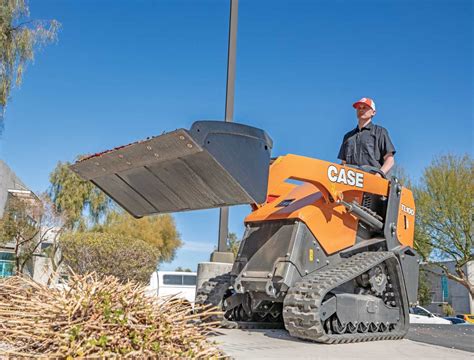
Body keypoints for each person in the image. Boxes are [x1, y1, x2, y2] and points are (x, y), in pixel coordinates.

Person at [337, 97, 395, 177]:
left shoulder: (380, 132)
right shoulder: (348, 137)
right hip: (350, 182)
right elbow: (343, 163)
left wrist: (379, 175)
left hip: (372, 180)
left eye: (364, 107)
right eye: (359, 108)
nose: (361, 110)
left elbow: (390, 159)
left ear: (373, 112)